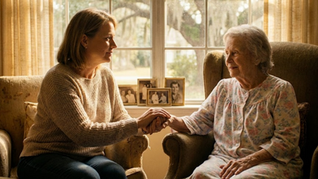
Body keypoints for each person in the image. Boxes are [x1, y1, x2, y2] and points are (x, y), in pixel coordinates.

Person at [17, 8, 170, 179]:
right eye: (107, 38)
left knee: (116, 173)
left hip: (88, 156)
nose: (114, 45)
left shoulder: (106, 76)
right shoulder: (59, 79)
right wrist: (137, 123)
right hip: (43, 157)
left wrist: (145, 127)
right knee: (87, 177)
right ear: (84, 40)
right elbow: (83, 133)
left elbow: (121, 118)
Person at [148, 24, 303, 178]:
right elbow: (200, 120)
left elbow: (286, 141)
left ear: (257, 57)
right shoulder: (224, 87)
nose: (227, 60)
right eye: (226, 52)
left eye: (234, 53)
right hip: (225, 159)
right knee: (200, 175)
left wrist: (248, 161)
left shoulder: (280, 90)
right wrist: (170, 120)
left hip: (269, 162)